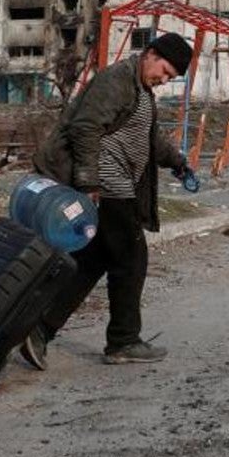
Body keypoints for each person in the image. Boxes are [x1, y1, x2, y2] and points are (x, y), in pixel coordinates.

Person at [23, 32, 195, 367]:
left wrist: (178, 162)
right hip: (108, 187)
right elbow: (85, 128)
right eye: (164, 71)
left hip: (114, 186)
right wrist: (89, 182)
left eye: (170, 78)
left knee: (91, 262)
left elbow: (149, 140)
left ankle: (38, 329)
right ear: (150, 53)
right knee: (132, 259)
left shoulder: (141, 92)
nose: (163, 79)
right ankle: (123, 341)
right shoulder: (117, 79)